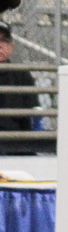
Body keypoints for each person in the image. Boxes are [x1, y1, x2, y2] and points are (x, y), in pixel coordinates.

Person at [0, 22, 37, 156]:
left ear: (11, 47)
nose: (0, 45)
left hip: (16, 142)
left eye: (4, 41)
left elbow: (34, 112)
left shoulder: (21, 74)